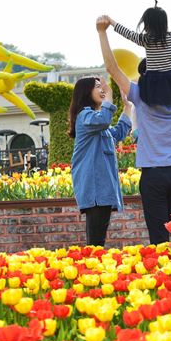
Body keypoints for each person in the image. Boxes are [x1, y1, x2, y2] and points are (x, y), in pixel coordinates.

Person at [96, 13, 171, 246]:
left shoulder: (140, 96)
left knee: (159, 240)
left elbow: (112, 68)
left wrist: (103, 32)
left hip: (152, 176)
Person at [68, 75, 133, 247]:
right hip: (95, 190)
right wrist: (110, 95)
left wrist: (127, 108)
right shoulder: (85, 116)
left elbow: (117, 133)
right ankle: (91, 271)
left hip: (102, 190)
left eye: (102, 86)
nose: (102, 89)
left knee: (97, 241)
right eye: (97, 86)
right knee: (96, 243)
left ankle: (93, 269)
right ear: (86, 92)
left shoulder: (95, 123)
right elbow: (104, 120)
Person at [108, 4, 171, 107]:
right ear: (165, 24)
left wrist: (111, 22)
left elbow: (127, 33)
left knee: (154, 105)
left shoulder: (146, 40)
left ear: (148, 25)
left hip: (152, 82)